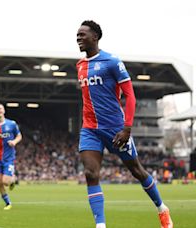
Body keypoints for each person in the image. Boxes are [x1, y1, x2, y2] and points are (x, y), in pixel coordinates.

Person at [75, 20, 173, 228]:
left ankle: (161, 208)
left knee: (137, 170)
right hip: (90, 129)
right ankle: (100, 225)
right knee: (90, 174)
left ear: (95, 37)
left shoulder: (112, 62)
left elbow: (130, 96)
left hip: (115, 129)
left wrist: (127, 128)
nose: (78, 38)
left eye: (82, 35)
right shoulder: (80, 65)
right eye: (77, 35)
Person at [0, 103, 22, 210]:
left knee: (6, 182)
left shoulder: (12, 124)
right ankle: (8, 202)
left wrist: (14, 142)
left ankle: (13, 179)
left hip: (8, 157)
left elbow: (19, 136)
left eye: (0, 108)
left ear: (4, 110)